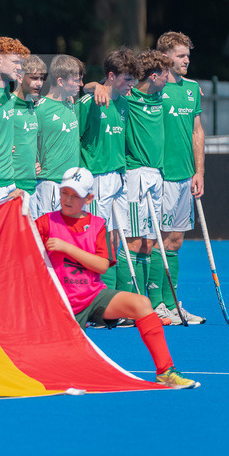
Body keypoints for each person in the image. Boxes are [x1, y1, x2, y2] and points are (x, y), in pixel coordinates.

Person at [35, 167, 198, 389]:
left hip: (92, 297)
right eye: (65, 193)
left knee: (142, 302)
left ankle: (166, 371)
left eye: (76, 195)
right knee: (53, 371)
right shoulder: (45, 222)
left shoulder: (96, 225)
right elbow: (18, 241)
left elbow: (102, 266)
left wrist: (66, 248)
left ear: (89, 198)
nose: (68, 199)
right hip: (59, 304)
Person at [154, 32, 206, 325]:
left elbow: (197, 131)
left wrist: (199, 172)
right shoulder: (151, 87)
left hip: (185, 176)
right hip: (159, 175)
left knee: (175, 241)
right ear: (165, 57)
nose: (186, 60)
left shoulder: (193, 89)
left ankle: (172, 305)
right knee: (155, 241)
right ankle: (156, 304)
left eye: (188, 55)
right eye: (181, 56)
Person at [78, 48, 139, 291]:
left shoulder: (124, 103)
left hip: (118, 177)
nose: (131, 84)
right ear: (111, 76)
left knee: (116, 237)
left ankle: (112, 296)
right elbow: (76, 138)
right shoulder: (89, 102)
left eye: (133, 79)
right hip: (96, 177)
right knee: (95, 238)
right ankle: (95, 297)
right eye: (127, 79)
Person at [122, 50, 174, 308]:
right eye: (166, 75)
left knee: (150, 241)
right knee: (133, 240)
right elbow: (96, 86)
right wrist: (97, 85)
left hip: (157, 175)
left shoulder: (161, 96)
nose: (169, 78)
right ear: (154, 76)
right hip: (136, 175)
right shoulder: (128, 98)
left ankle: (150, 304)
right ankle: (129, 304)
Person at [33, 55, 83, 215]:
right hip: (49, 183)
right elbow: (24, 137)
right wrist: (32, 162)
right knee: (47, 236)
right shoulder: (39, 109)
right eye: (75, 80)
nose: (80, 84)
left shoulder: (70, 103)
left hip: (73, 185)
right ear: (60, 82)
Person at [0, 37, 29, 206]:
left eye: (21, 63)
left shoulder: (7, 94)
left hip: (9, 182)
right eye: (15, 62)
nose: (19, 67)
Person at [11, 55, 46, 210]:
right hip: (12, 187)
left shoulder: (33, 105)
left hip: (32, 185)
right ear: (19, 77)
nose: (38, 83)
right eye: (33, 78)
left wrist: (36, 163)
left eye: (41, 78)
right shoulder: (7, 104)